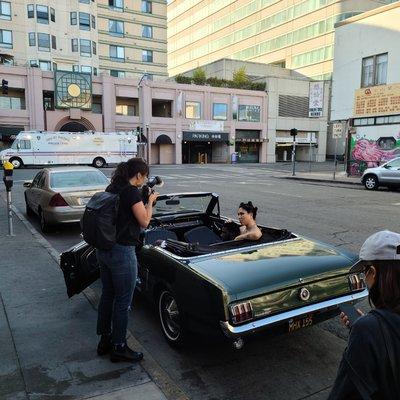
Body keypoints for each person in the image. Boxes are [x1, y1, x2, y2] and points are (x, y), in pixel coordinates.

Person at [96, 158, 158, 363]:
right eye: (145, 176)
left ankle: (105, 340)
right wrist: (150, 202)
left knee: (108, 294)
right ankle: (119, 347)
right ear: (139, 175)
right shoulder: (131, 192)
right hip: (122, 252)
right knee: (123, 301)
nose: (145, 180)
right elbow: (145, 222)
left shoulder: (113, 187)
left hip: (104, 249)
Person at [328, 230, 400, 400]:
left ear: (373, 272)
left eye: (364, 271)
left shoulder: (368, 329)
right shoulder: (371, 327)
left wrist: (367, 329)